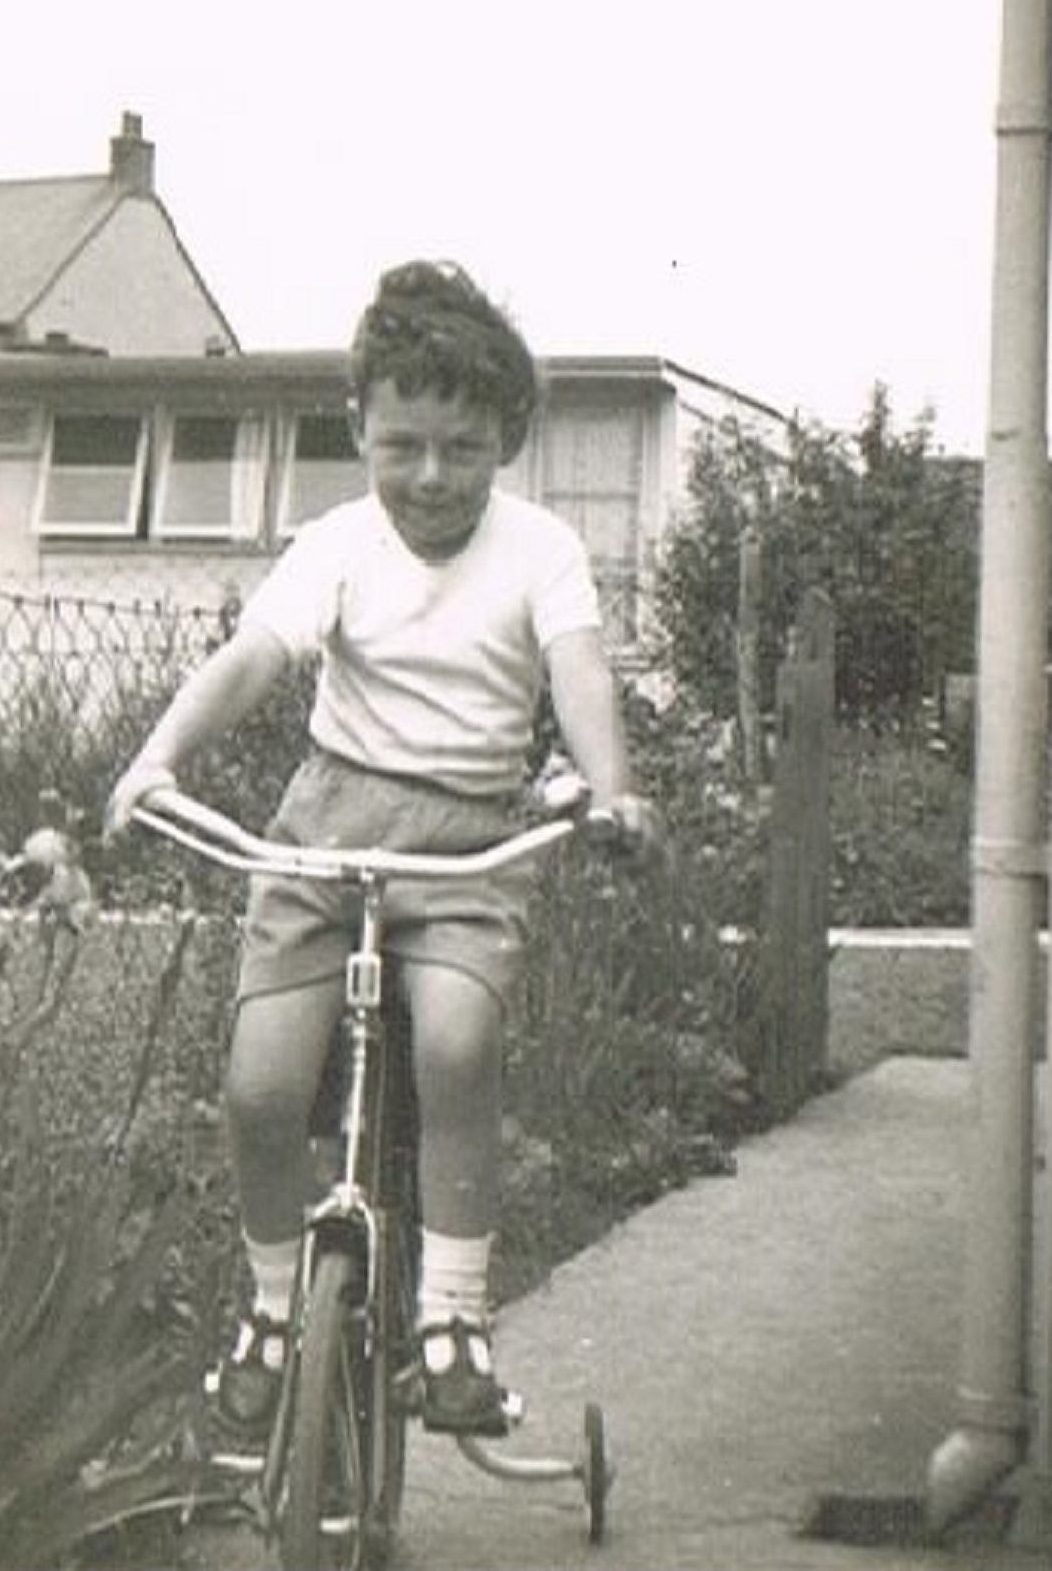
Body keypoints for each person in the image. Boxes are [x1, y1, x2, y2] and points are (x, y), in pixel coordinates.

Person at [106, 259, 658, 1440]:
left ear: (507, 437)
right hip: (327, 830)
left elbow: (579, 673)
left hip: (467, 844)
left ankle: (451, 1320)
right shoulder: (339, 542)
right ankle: (266, 1312)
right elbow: (254, 657)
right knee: (261, 1081)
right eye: (401, 443)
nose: (429, 476)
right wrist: (154, 763)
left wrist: (611, 789)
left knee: (458, 1042)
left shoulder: (541, 549)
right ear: (357, 426)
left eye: (461, 448)